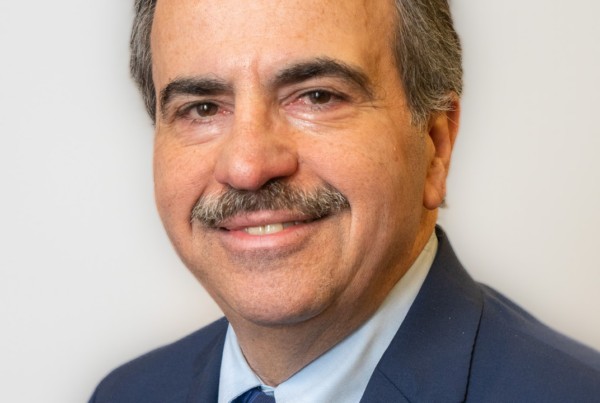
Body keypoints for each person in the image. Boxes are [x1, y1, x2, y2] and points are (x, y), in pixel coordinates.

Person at [89, 0, 600, 402]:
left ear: (436, 147)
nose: (246, 167)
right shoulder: (126, 394)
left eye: (317, 96)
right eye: (202, 108)